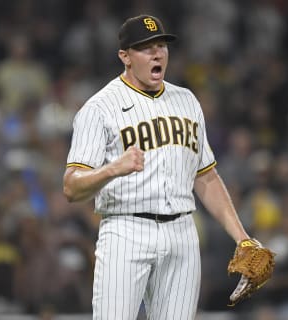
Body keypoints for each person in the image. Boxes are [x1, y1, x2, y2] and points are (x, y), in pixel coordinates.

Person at [63, 14, 255, 319]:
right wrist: (111, 168)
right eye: (145, 48)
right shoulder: (99, 108)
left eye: (161, 46)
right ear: (125, 57)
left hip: (182, 232)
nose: (157, 54)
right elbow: (71, 186)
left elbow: (206, 177)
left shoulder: (187, 101)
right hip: (126, 230)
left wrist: (242, 237)